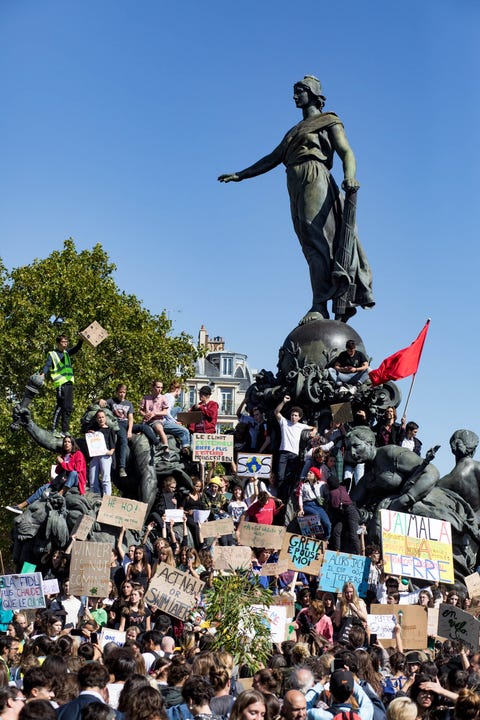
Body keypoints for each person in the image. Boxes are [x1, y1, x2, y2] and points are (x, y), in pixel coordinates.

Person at [219, 74, 374, 324]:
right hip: (294, 181)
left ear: (312, 93)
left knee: (317, 238)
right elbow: (272, 158)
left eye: (299, 91)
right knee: (308, 244)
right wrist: (241, 175)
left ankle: (320, 304)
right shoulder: (294, 132)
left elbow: (346, 152)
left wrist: (350, 177)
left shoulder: (329, 121)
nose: (294, 96)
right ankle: (320, 301)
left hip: (315, 175)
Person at [6, 435, 86, 514]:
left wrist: (63, 463)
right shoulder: (64, 456)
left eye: (69, 442)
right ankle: (20, 506)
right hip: (62, 480)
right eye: (65, 442)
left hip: (75, 480)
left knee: (73, 473)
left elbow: (77, 470)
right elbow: (57, 471)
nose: (66, 443)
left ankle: (61, 493)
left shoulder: (78, 454)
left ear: (72, 444)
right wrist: (59, 463)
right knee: (42, 488)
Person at [40, 333, 83, 435]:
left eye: (66, 342)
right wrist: (43, 374)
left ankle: (65, 430)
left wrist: (81, 340)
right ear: (58, 343)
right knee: (60, 406)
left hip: (69, 382)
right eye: (63, 342)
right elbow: (47, 365)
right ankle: (53, 429)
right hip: (60, 383)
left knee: (68, 407)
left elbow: (76, 348)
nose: (65, 344)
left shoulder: (66, 353)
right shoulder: (52, 354)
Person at [274, 395, 315, 502]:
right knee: (280, 476)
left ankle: (288, 498)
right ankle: (280, 497)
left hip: (294, 455)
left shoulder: (301, 426)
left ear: (299, 417)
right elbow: (276, 412)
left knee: (290, 477)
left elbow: (314, 427)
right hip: (283, 452)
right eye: (292, 415)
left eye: (296, 415)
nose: (293, 417)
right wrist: (283, 402)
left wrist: (314, 431)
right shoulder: (284, 422)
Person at [103, 384, 134, 478]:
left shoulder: (129, 403)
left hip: (127, 424)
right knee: (123, 440)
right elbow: (102, 403)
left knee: (144, 428)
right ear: (117, 392)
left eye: (124, 392)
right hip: (118, 424)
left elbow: (131, 418)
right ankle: (122, 467)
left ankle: (159, 444)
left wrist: (130, 430)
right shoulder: (112, 401)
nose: (122, 394)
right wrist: (100, 400)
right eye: (120, 392)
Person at [87, 410, 116, 496]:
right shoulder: (93, 429)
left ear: (105, 418)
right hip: (94, 455)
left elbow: (112, 445)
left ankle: (107, 499)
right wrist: (90, 433)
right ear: (96, 419)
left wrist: (110, 452)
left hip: (105, 455)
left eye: (102, 417)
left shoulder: (110, 430)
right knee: (92, 480)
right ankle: (95, 498)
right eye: (99, 417)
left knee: (106, 479)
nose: (101, 419)